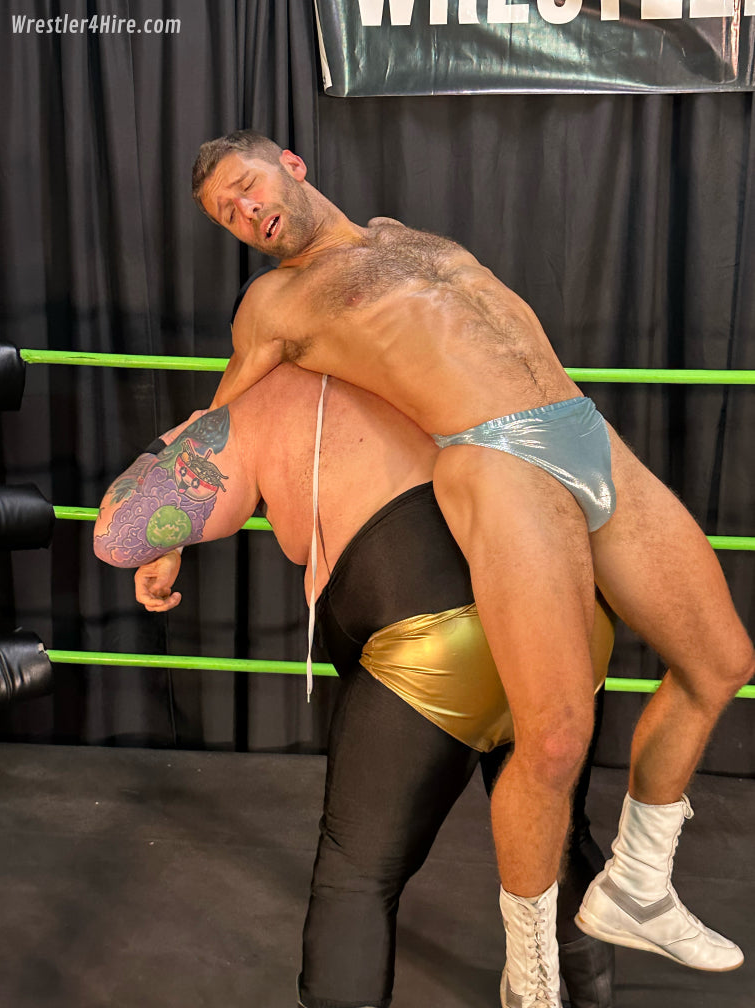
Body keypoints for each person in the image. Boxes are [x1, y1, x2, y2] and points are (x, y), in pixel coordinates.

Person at [188, 129, 754, 1007]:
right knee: (554, 739)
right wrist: (166, 537)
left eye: (246, 185)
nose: (244, 210)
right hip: (495, 458)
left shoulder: (400, 233)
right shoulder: (275, 303)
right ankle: (529, 974)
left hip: (582, 430)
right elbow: (217, 425)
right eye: (226, 211)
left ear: (290, 165)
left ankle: (640, 884)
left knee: (722, 663)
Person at [94, 362, 617, 1008]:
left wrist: (190, 429)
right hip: (568, 602)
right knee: (557, 835)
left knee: (358, 877)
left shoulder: (268, 397)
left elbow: (117, 534)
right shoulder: (435, 346)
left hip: (438, 635)